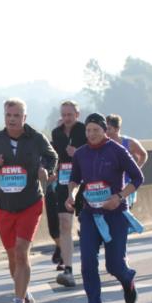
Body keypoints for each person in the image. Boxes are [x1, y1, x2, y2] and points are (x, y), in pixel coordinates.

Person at [0, 98, 57, 303]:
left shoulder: (36, 138)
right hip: (5, 207)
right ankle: (25, 295)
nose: (12, 119)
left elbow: (52, 156)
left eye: (17, 116)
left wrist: (45, 169)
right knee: (12, 256)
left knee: (21, 252)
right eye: (8, 115)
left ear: (24, 117)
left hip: (30, 203)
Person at [65, 113, 144, 303]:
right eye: (88, 130)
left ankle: (127, 278)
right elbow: (74, 179)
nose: (91, 134)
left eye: (96, 130)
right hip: (90, 214)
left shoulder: (117, 151)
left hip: (115, 214)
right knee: (87, 264)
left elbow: (138, 178)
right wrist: (71, 195)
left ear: (105, 131)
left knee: (114, 265)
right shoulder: (81, 154)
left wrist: (118, 197)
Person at [48, 101, 87, 284]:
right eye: (63, 115)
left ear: (77, 115)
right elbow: (55, 157)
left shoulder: (86, 130)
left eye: (70, 115)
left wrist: (78, 153)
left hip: (85, 183)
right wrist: (52, 172)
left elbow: (94, 153)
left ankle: (90, 262)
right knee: (64, 223)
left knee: (86, 225)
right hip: (64, 182)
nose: (66, 118)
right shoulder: (56, 133)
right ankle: (68, 268)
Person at [105, 114, 148, 207]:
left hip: (126, 184)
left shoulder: (129, 143)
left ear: (117, 129)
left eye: (109, 129)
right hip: (108, 185)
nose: (106, 132)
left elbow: (143, 154)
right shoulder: (103, 144)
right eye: (105, 129)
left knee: (124, 208)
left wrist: (136, 169)